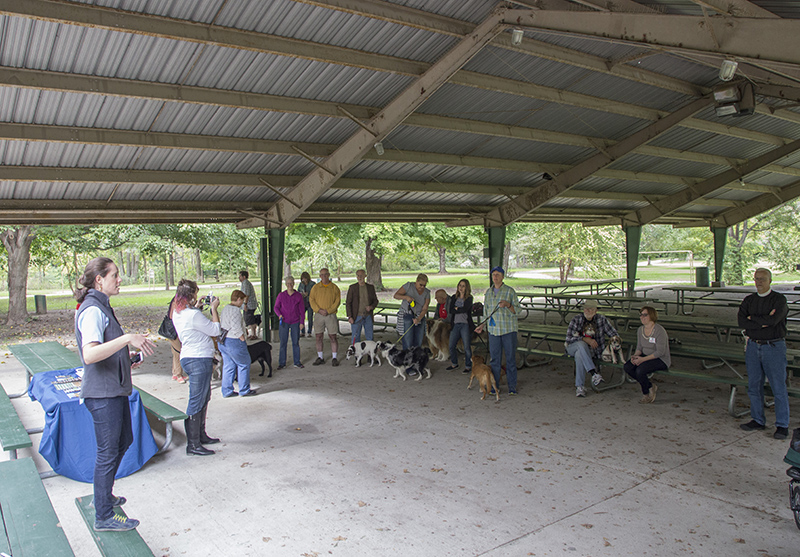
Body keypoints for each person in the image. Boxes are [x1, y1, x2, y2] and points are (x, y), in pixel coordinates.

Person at [74, 257, 155, 532]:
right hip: (103, 395)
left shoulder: (102, 307)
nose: (119, 280)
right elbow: (90, 353)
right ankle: (104, 516)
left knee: (124, 441)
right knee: (107, 452)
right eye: (115, 275)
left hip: (115, 390)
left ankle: (104, 495)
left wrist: (127, 358)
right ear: (99, 279)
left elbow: (106, 350)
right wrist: (126, 338)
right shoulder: (92, 310)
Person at [172, 279, 224, 457]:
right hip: (198, 358)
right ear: (191, 294)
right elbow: (215, 330)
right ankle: (193, 444)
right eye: (196, 292)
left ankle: (200, 435)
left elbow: (193, 321)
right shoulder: (193, 315)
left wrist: (197, 307)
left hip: (189, 356)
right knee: (196, 400)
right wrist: (214, 309)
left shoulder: (179, 312)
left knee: (203, 397)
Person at [738, 268, 790, 440]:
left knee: (778, 387)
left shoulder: (779, 300)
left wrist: (754, 320)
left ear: (770, 280)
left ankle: (782, 425)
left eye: (762, 279)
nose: (759, 282)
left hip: (773, 346)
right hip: (753, 346)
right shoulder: (749, 300)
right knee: (754, 385)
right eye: (756, 279)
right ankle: (757, 419)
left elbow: (774, 321)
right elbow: (741, 321)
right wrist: (762, 322)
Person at [475, 267, 520, 395]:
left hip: (508, 330)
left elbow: (519, 310)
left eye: (498, 275)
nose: (495, 277)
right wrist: (482, 325)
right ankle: (494, 387)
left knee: (510, 358)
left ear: (503, 277)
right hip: (493, 331)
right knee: (495, 360)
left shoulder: (510, 291)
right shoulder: (488, 292)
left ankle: (512, 387)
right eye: (493, 275)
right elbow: (486, 312)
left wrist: (508, 305)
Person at [564, 299, 619, 397]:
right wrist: (585, 339)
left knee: (579, 355)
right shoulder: (576, 319)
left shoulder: (601, 319)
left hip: (593, 351)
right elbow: (569, 339)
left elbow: (613, 334)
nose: (587, 311)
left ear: (596, 310)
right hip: (572, 347)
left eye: (590, 309)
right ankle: (594, 373)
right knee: (581, 344)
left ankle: (580, 387)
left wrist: (613, 344)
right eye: (586, 308)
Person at [624, 306, 670, 404]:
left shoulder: (659, 330)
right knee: (628, 367)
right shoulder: (640, 330)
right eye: (641, 315)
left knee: (640, 370)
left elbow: (660, 352)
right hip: (645, 355)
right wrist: (635, 356)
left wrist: (642, 360)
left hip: (660, 358)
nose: (642, 317)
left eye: (645, 315)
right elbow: (639, 347)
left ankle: (646, 394)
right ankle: (649, 386)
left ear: (652, 316)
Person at [218, 290, 257, 398]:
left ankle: (227, 390)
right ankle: (244, 389)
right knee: (244, 363)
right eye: (242, 300)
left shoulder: (226, 308)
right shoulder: (235, 311)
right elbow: (236, 328)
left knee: (229, 365)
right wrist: (243, 338)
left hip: (223, 341)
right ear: (239, 299)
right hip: (234, 341)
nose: (242, 303)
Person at [309, 268, 342, 366]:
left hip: (330, 315)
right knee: (318, 336)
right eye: (322, 275)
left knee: (333, 336)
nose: (324, 276)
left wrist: (329, 310)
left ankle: (334, 358)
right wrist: (319, 310)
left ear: (329, 275)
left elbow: (337, 301)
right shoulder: (315, 288)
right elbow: (311, 300)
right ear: (320, 276)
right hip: (319, 315)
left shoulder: (334, 288)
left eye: (326, 274)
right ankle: (320, 357)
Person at [394, 273, 431, 356]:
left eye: (424, 285)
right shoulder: (408, 286)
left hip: (419, 315)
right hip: (406, 314)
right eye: (420, 284)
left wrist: (419, 318)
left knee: (418, 340)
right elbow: (396, 295)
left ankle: (416, 360)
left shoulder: (427, 292)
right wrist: (406, 297)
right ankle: (407, 361)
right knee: (408, 340)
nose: (422, 287)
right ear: (416, 281)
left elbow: (425, 308)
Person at [274, 275, 306, 369]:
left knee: (295, 342)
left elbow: (302, 311)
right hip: (284, 322)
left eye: (291, 283)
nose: (289, 285)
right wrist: (279, 315)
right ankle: (282, 363)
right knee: (283, 342)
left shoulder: (298, 296)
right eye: (288, 283)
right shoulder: (281, 295)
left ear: (294, 283)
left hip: (295, 322)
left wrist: (302, 322)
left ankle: (297, 361)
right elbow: (276, 307)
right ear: (285, 284)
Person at [445, 279, 475, 374]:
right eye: (460, 285)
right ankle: (454, 363)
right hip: (456, 323)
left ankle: (468, 365)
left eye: (463, 286)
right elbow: (451, 310)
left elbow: (465, 309)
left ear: (466, 288)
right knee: (451, 345)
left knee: (466, 346)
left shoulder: (469, 298)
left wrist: (457, 308)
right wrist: (458, 309)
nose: (461, 288)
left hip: (465, 324)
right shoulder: (454, 297)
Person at [346, 269, 379, 343]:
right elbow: (348, 303)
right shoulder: (352, 287)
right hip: (356, 316)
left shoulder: (370, 287)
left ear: (365, 276)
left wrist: (371, 307)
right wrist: (350, 316)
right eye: (358, 275)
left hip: (368, 316)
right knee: (355, 337)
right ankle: (356, 353)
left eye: (361, 275)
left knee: (370, 337)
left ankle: (370, 353)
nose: (360, 277)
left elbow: (375, 301)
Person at [166, 296, 188, 383]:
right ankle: (179, 375)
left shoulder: (176, 299)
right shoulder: (178, 301)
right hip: (174, 330)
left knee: (175, 352)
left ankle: (175, 373)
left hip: (172, 330)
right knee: (179, 351)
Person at [239, 270, 259, 340]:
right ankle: (252, 334)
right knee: (249, 319)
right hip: (250, 304)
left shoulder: (246, 283)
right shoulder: (245, 283)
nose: (239, 277)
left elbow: (246, 295)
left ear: (244, 277)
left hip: (249, 305)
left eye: (240, 276)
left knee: (249, 320)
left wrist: (245, 304)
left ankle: (254, 334)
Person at [298, 272, 316, 337]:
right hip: (303, 302)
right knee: (301, 317)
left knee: (310, 317)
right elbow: (298, 291)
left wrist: (308, 294)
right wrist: (301, 294)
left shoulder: (312, 284)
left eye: (305, 278)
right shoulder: (301, 284)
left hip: (310, 302)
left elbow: (315, 293)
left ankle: (309, 332)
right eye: (303, 278)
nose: (304, 280)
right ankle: (302, 331)